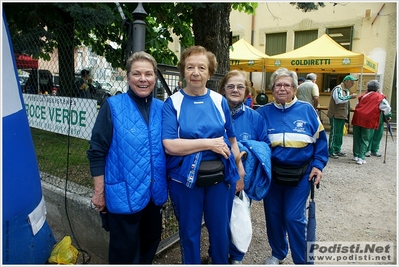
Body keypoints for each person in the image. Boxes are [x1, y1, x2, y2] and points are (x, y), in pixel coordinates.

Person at [162, 45, 245, 264]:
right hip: (184, 179)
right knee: (189, 232)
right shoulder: (173, 103)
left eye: (201, 67)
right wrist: (208, 144)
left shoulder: (219, 101)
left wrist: (239, 172)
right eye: (190, 67)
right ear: (183, 71)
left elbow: (233, 140)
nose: (196, 72)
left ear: (209, 72)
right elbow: (170, 145)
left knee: (219, 230)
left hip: (220, 176)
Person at [86, 51, 168, 264]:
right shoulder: (112, 106)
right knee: (124, 251)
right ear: (128, 77)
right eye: (137, 74)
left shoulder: (163, 108)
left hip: (154, 193)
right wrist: (99, 192)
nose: (143, 79)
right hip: (124, 192)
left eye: (148, 74)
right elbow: (96, 151)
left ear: (155, 77)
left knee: (151, 241)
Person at [256, 67, 329, 264]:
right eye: (278, 85)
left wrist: (318, 165)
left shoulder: (307, 111)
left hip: (301, 175)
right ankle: (278, 253)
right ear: (272, 89)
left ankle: (303, 261)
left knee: (293, 218)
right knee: (273, 216)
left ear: (295, 89)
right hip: (272, 175)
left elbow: (321, 142)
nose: (282, 88)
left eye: (286, 85)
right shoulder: (262, 113)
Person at [218, 70, 270, 264]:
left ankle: (236, 256)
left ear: (247, 91)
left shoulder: (255, 118)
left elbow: (264, 146)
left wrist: (245, 153)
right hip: (216, 177)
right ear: (223, 89)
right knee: (218, 220)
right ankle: (218, 253)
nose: (235, 90)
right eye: (230, 86)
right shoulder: (214, 113)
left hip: (242, 180)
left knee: (239, 217)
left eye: (240, 86)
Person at [351, 80, 392, 165]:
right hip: (369, 119)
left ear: (368, 87)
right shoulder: (380, 97)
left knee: (357, 137)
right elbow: (387, 108)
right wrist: (388, 116)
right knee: (365, 138)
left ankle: (356, 155)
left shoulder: (363, 95)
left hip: (358, 117)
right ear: (377, 88)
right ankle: (361, 158)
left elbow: (357, 105)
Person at [326, 75, 358, 159]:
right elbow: (338, 100)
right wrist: (350, 96)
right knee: (334, 133)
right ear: (346, 81)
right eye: (351, 82)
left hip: (341, 115)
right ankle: (331, 150)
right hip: (335, 114)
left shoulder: (346, 90)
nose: (353, 84)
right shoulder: (338, 88)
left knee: (340, 133)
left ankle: (337, 149)